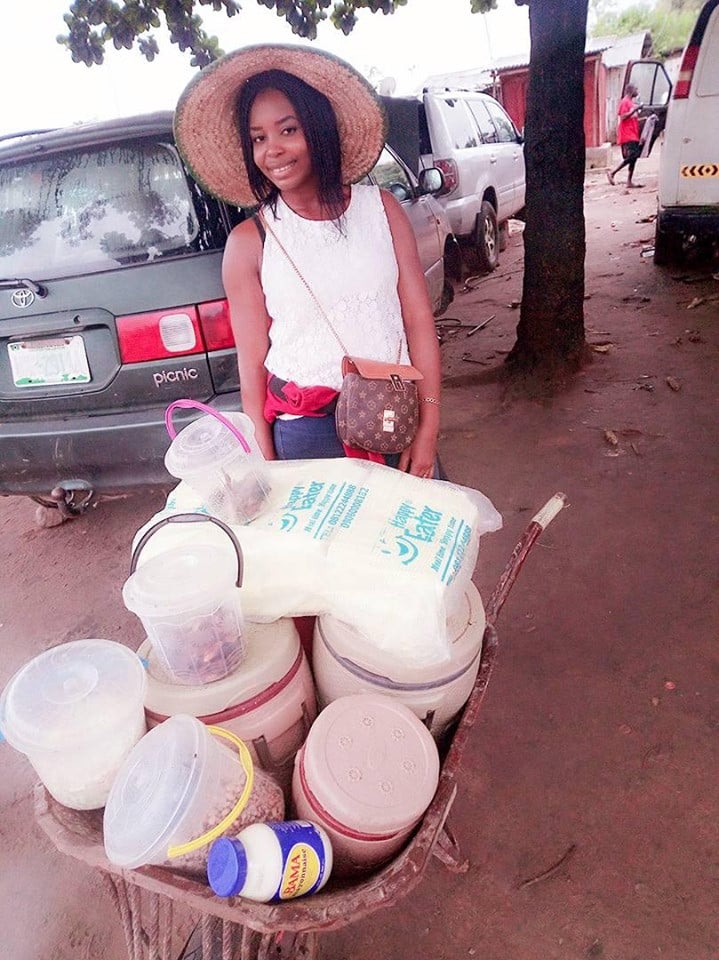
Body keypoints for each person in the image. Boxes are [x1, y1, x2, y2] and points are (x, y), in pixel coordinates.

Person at [174, 44, 441, 479]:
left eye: (288, 130)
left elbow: (418, 321)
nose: (272, 150)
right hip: (308, 437)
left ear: (318, 129)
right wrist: (265, 463)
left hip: (395, 417)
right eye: (258, 138)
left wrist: (428, 425)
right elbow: (252, 366)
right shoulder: (249, 243)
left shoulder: (383, 211)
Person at [607, 83, 644, 188]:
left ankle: (629, 181)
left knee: (634, 158)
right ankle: (613, 173)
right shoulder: (625, 102)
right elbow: (623, 117)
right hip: (627, 134)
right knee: (633, 155)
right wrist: (635, 109)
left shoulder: (631, 103)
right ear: (631, 91)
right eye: (636, 89)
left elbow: (632, 119)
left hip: (633, 133)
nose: (637, 92)